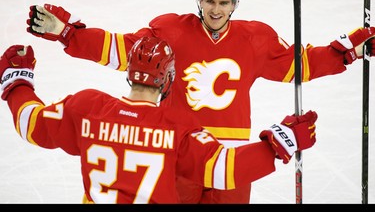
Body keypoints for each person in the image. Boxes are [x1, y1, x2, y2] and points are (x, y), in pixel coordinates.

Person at [26, 0, 375, 204]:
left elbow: (301, 65)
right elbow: (123, 50)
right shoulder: (172, 30)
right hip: (180, 155)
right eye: (209, 0)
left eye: (224, 2)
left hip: (233, 160)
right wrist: (69, 33)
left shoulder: (255, 39)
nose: (216, 9)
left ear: (235, 4)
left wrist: (349, 50)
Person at [0, 37, 318, 204]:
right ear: (167, 79)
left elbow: (31, 124)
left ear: (129, 74)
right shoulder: (176, 128)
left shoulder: (88, 107)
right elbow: (225, 171)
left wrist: (17, 85)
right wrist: (279, 143)